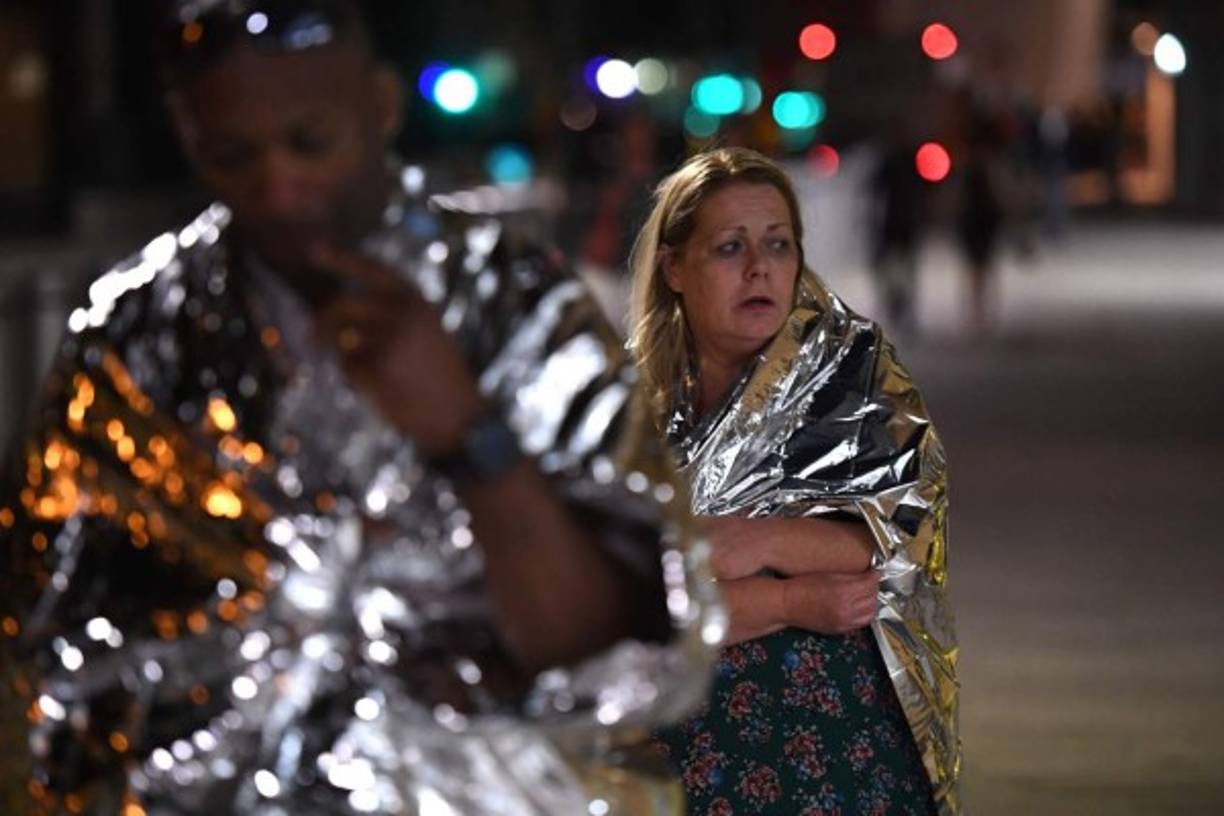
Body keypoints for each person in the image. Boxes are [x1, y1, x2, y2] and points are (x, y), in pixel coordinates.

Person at [0, 2, 722, 813]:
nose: (278, 185)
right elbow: (57, 658)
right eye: (229, 154)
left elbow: (629, 650)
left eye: (310, 141)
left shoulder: (515, 310)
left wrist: (465, 432)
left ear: (380, 108)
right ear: (184, 132)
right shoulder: (132, 340)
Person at [628, 147, 961, 815]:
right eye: (729, 248)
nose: (760, 268)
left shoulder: (853, 380)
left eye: (778, 245)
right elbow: (623, 607)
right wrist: (788, 602)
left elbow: (895, 538)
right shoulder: (624, 416)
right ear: (673, 268)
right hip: (682, 752)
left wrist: (754, 543)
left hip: (843, 751)